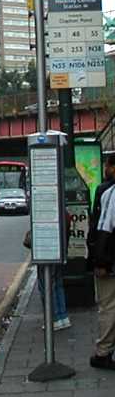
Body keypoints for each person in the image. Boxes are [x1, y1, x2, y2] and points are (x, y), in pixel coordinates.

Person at [89, 154, 115, 370]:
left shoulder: (109, 193)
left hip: (111, 262)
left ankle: (104, 351)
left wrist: (100, 262)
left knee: (107, 305)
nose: (106, 167)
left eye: (108, 164)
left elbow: (104, 229)